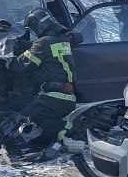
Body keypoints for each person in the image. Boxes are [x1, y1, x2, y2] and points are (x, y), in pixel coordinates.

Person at [5, 9, 78, 163]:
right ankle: (62, 131)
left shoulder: (43, 42)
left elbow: (23, 66)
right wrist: (28, 45)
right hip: (68, 98)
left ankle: (62, 129)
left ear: (38, 25)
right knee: (40, 125)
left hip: (51, 98)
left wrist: (10, 59)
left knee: (22, 122)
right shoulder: (62, 40)